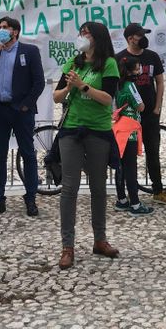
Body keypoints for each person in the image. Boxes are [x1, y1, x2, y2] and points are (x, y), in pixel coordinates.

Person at [53, 22, 121, 269]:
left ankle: (100, 240)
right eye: (81, 32)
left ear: (97, 38)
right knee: (69, 188)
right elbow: (56, 96)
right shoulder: (73, 62)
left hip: (98, 131)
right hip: (71, 129)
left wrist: (83, 85)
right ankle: (67, 246)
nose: (82, 36)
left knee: (98, 188)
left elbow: (107, 100)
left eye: (87, 33)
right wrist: (69, 86)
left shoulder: (109, 64)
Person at [0, 16, 45, 217]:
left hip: (21, 111)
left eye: (5, 27)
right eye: (0, 27)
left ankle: (31, 198)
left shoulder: (29, 51)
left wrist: (26, 106)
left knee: (28, 154)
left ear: (15, 31)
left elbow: (39, 83)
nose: (1, 30)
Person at [116, 23, 166, 206]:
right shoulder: (119, 58)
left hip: (149, 113)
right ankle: (125, 195)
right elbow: (114, 86)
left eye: (143, 34)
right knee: (126, 155)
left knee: (153, 151)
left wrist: (157, 107)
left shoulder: (152, 57)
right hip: (127, 116)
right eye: (139, 35)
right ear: (130, 38)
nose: (143, 38)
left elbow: (160, 82)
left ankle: (158, 190)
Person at [112, 56, 154, 216]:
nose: (139, 72)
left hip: (118, 128)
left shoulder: (118, 85)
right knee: (131, 168)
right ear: (129, 71)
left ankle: (122, 200)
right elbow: (141, 107)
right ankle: (135, 204)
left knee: (120, 167)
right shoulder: (131, 86)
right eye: (136, 69)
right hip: (129, 130)